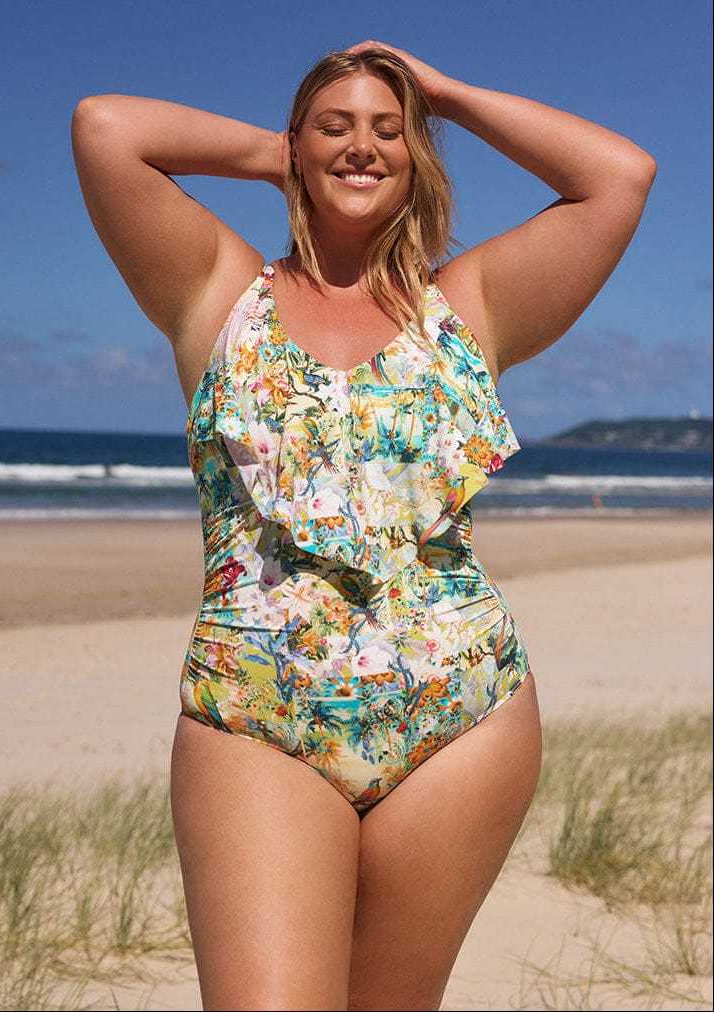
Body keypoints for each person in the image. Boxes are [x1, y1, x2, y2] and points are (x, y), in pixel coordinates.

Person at [71, 41, 655, 1011]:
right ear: (297, 143)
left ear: (418, 156)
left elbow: (618, 176)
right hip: (257, 716)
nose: (362, 146)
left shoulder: (470, 308)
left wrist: (445, 95)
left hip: (462, 718)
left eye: (388, 131)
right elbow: (105, 128)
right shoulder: (217, 291)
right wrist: (283, 156)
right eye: (334, 127)